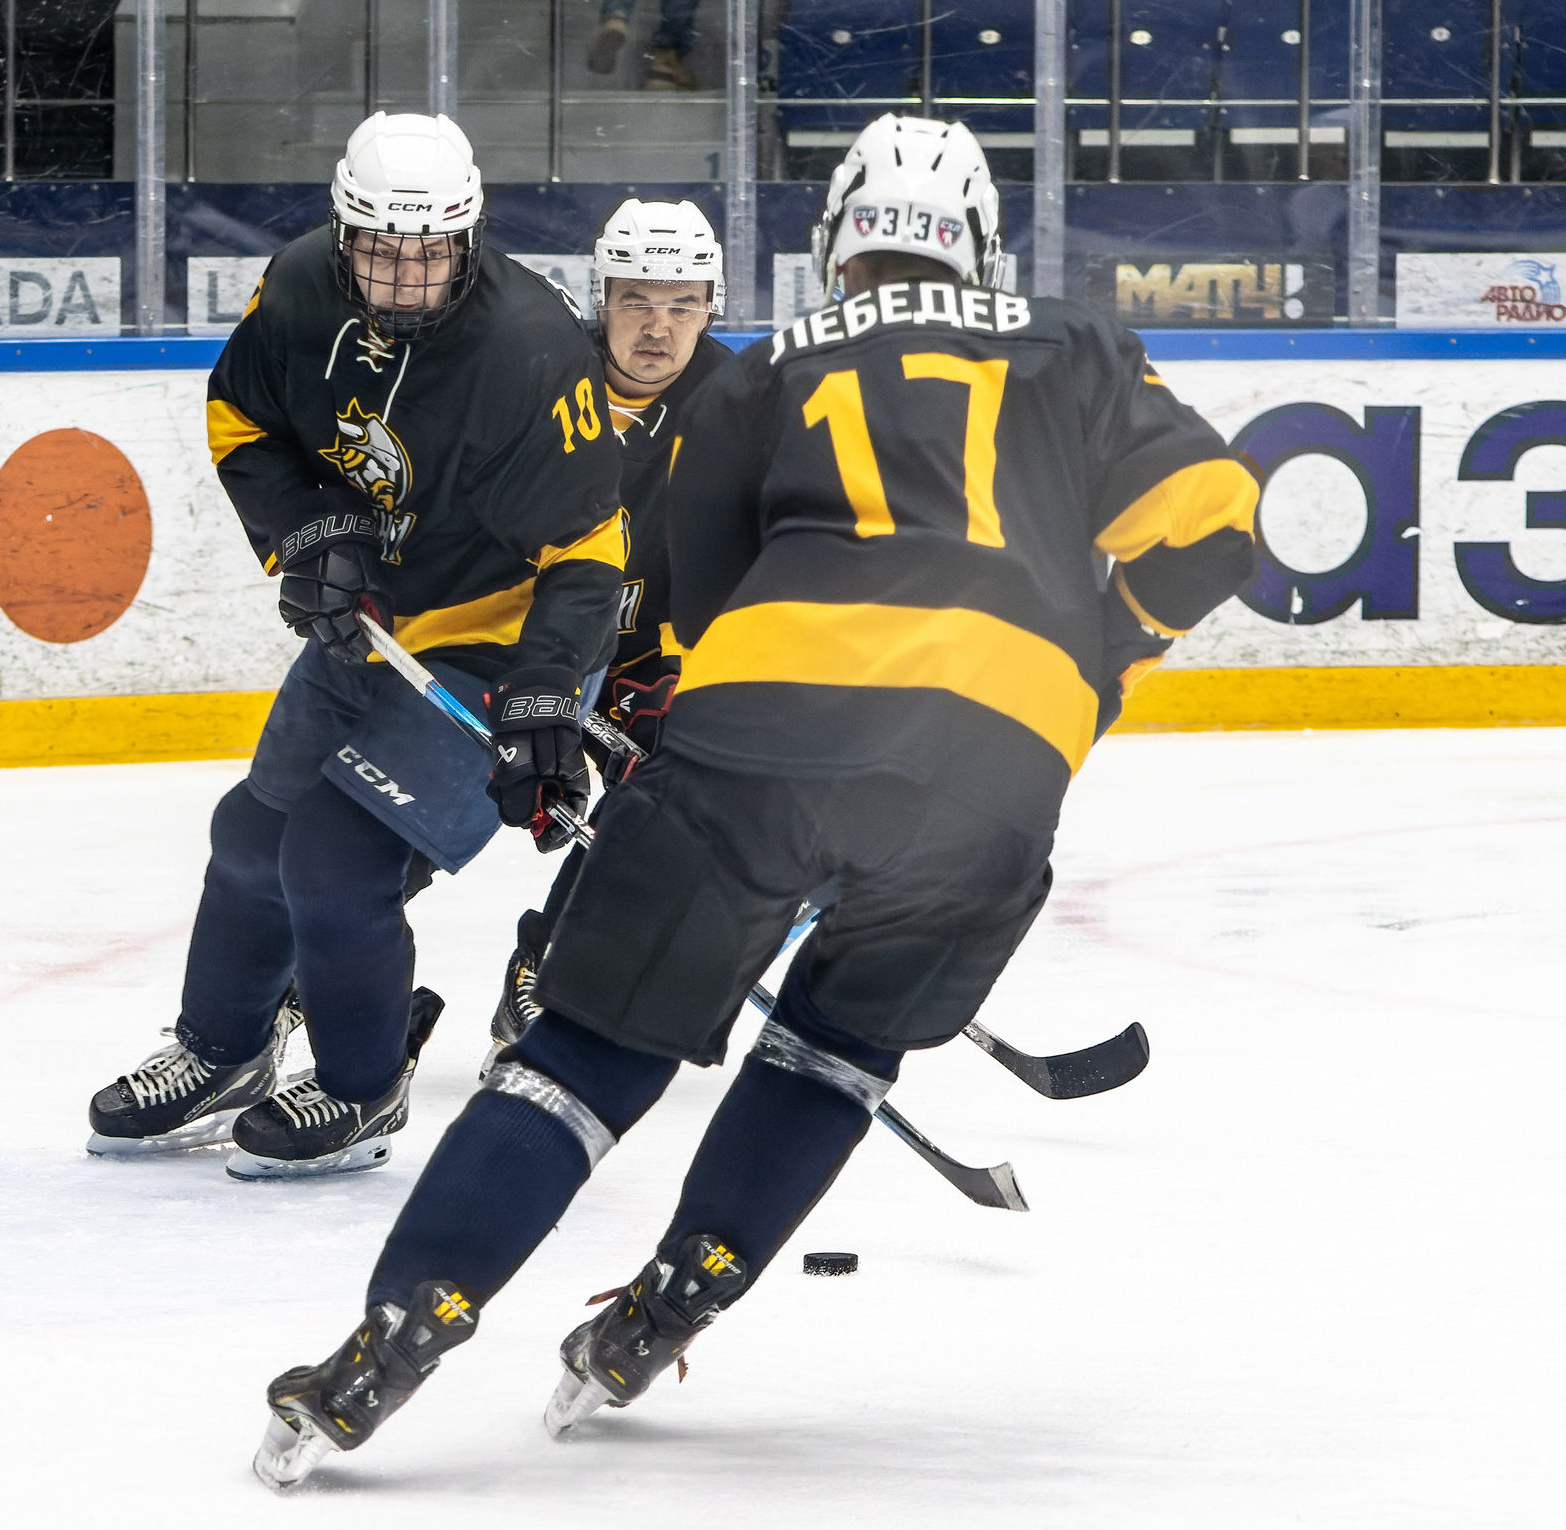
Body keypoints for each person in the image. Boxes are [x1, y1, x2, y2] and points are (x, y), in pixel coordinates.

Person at [252, 113, 1263, 1487]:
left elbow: (684, 588)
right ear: (980, 239)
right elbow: (1217, 521)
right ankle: (669, 1305)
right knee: (834, 1053)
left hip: (761, 738)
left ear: (835, 236)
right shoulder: (1073, 342)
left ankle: (397, 1330)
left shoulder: (763, 370)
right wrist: (1089, 661)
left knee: (582, 1057)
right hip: (994, 776)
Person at [84, 112, 625, 1180]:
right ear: (342, 233)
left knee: (333, 861)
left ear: (467, 238)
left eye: (429, 254)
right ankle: (221, 1050)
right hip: (372, 628)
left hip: (500, 647)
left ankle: (360, 1084)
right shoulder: (295, 290)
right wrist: (310, 531)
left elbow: (589, 548)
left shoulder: (531, 350)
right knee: (251, 837)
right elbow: (243, 421)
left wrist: (543, 698)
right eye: (381, 250)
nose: (405, 277)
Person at [481, 196, 739, 1064]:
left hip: (645, 656)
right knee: (407, 818)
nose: (658, 328)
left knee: (660, 799)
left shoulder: (743, 408)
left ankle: (547, 963)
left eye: (682, 304)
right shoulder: (537, 378)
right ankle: (300, 986)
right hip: (522, 641)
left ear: (715, 304)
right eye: (636, 301)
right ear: (600, 299)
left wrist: (677, 672)